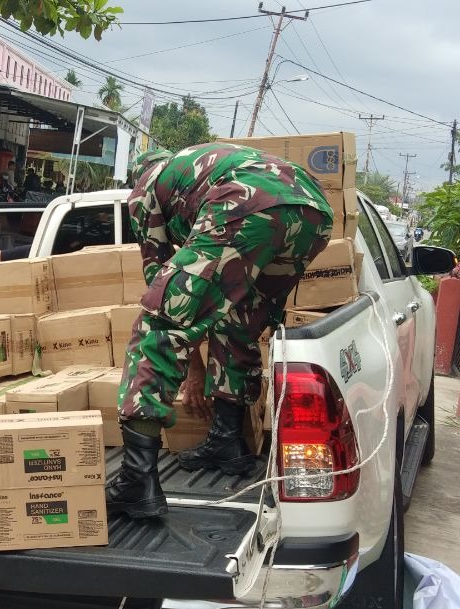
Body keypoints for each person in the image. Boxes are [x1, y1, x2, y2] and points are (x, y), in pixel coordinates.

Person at [106, 143, 334, 519]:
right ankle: (228, 441)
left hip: (249, 201)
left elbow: (164, 292)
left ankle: (136, 480)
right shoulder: (199, 166)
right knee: (239, 315)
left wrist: (193, 369)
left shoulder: (145, 186)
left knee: (157, 323)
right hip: (312, 213)